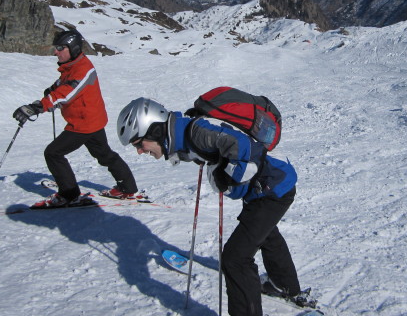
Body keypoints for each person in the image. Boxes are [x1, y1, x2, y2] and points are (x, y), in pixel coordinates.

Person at [116, 97, 315, 316]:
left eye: (138, 143)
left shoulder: (195, 132)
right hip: (267, 187)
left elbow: (246, 149)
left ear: (153, 131)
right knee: (266, 234)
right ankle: (285, 286)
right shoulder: (185, 134)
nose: (139, 151)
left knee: (235, 259)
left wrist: (227, 176)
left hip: (274, 188)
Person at [13, 29, 139, 208]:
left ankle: (69, 195)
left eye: (60, 48)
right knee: (104, 155)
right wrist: (52, 89)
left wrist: (37, 107)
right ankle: (128, 188)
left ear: (72, 48)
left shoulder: (84, 69)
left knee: (53, 153)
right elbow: (63, 84)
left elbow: (67, 92)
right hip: (91, 119)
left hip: (83, 123)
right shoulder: (74, 65)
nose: (55, 52)